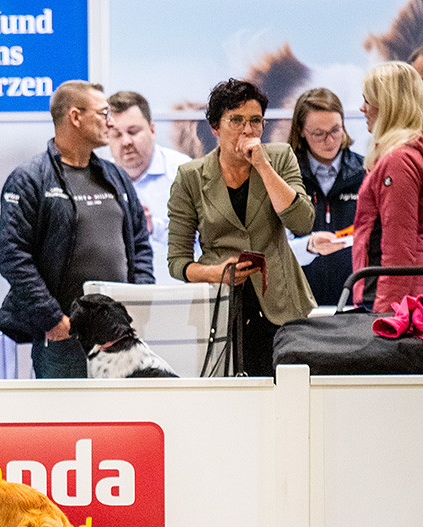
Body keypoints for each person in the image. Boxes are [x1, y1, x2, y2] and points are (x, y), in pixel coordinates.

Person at [0, 80, 154, 379]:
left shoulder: (116, 177)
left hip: (120, 339)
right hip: (64, 338)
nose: (110, 122)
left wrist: (140, 299)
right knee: (65, 424)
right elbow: (14, 257)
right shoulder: (30, 179)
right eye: (103, 113)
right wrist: (53, 320)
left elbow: (139, 244)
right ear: (75, 117)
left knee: (120, 423)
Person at [167, 78, 315, 376]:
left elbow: (301, 222)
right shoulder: (190, 177)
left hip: (280, 303)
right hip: (221, 307)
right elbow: (177, 262)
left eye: (255, 121)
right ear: (215, 128)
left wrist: (263, 166)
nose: (248, 130)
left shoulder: (280, 157)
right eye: (236, 120)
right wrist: (215, 273)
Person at [353, 61, 423, 312]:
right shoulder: (403, 154)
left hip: (395, 301)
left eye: (367, 100)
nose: (362, 108)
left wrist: (384, 315)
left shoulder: (399, 160)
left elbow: (398, 249)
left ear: (388, 106)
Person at [286, 88, 364, 306]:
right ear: (301, 131)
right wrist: (309, 246)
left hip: (355, 301)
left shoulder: (366, 171)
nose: (329, 141)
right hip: (301, 304)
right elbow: (275, 248)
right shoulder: (285, 177)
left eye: (335, 130)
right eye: (318, 134)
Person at [105, 90, 192, 284]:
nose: (126, 141)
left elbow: (206, 240)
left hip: (177, 295)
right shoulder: (100, 180)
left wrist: (153, 228)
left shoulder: (184, 172)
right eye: (116, 134)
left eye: (133, 131)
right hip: (119, 297)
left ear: (152, 130)